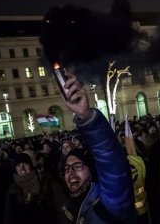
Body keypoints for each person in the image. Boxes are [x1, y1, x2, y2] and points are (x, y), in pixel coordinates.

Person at [58, 71, 135, 223]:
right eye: (67, 169)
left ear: (91, 169)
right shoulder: (67, 209)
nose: (70, 173)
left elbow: (110, 159)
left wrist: (86, 117)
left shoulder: (110, 201)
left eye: (77, 166)